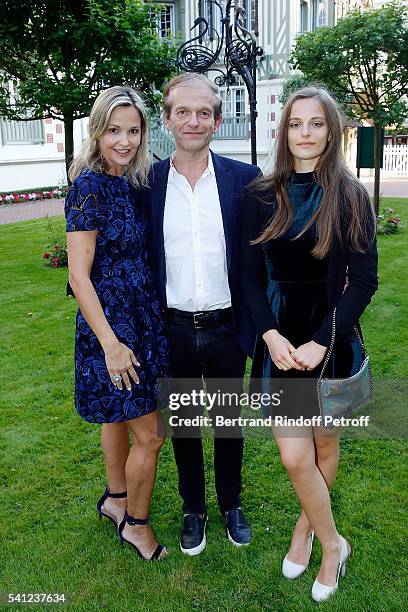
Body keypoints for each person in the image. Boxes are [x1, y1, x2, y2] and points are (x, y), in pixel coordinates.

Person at [241, 86, 378, 602]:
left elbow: (365, 280)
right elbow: (249, 278)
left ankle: (308, 533)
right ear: (285, 131)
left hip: (330, 339)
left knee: (323, 444)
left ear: (332, 129)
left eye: (316, 123)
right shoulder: (262, 195)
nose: (305, 133)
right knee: (295, 457)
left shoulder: (349, 196)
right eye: (296, 123)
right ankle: (332, 542)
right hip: (278, 337)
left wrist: (325, 340)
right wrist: (270, 335)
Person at [148, 73, 261, 555]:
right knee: (186, 423)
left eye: (203, 113)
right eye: (182, 112)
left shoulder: (245, 179)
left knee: (228, 421)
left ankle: (231, 502)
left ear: (217, 120)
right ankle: (193, 507)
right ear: (167, 119)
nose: (193, 121)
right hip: (171, 327)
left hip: (226, 327)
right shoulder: (148, 183)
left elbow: (267, 254)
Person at [65, 86, 168, 561]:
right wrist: (110, 344)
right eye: (113, 130)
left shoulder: (130, 181)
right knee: (151, 433)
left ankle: (116, 499)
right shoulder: (87, 185)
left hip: (140, 315)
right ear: (97, 131)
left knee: (119, 418)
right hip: (110, 324)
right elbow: (78, 276)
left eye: (132, 130)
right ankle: (137, 527)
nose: (124, 140)